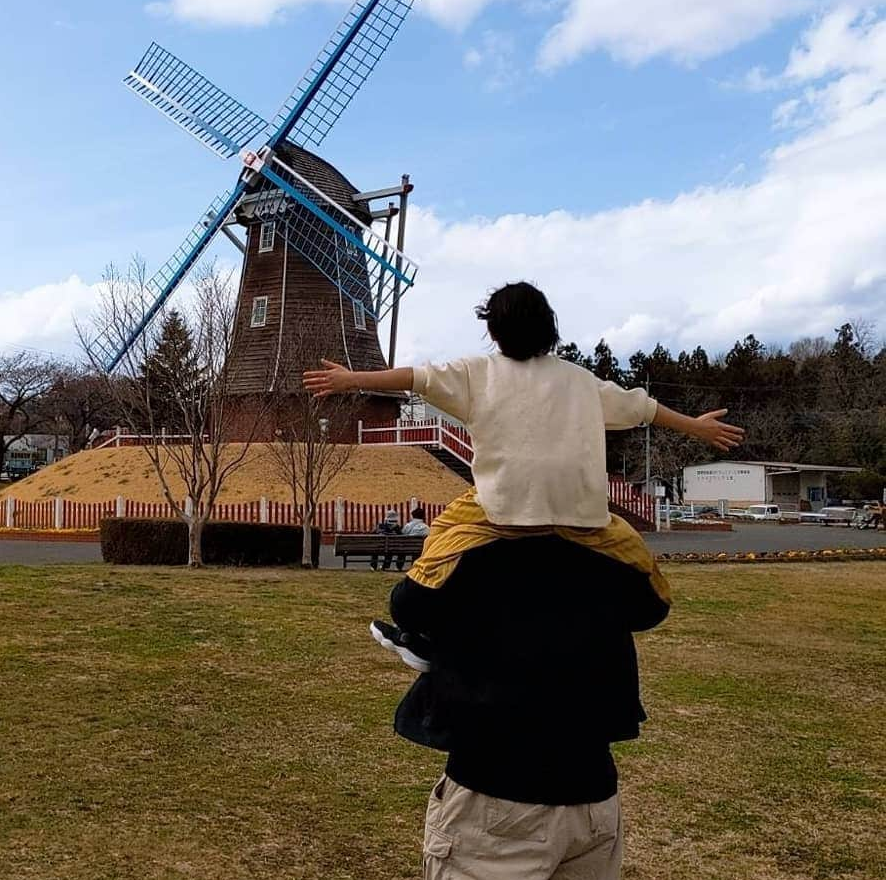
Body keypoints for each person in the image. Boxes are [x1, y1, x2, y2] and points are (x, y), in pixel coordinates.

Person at [303, 282, 743, 660]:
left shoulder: (476, 373)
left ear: (493, 331)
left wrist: (351, 379)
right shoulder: (580, 380)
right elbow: (642, 407)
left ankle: (424, 641)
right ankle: (594, 629)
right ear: (548, 330)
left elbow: (414, 378)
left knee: (428, 564)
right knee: (653, 597)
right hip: (581, 518)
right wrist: (695, 427)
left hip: (500, 512)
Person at [390, 533, 670, 880]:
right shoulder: (610, 550)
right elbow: (651, 607)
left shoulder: (473, 547)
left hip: (496, 780)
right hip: (589, 785)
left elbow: (410, 603)